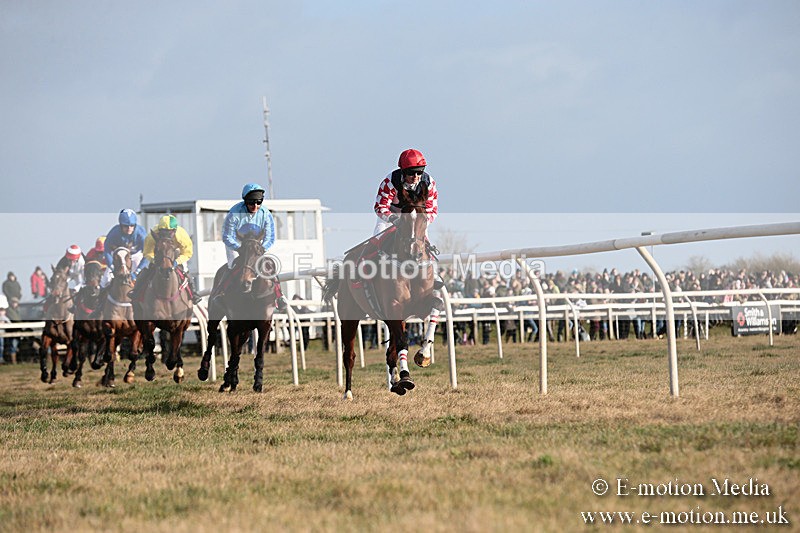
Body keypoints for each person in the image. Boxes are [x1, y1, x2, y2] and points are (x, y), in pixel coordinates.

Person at [214, 183, 287, 311]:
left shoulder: (265, 214)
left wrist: (262, 248)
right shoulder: (234, 212)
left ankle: (279, 296)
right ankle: (221, 293)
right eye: (251, 203)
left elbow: (270, 237)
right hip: (237, 244)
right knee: (233, 265)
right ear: (245, 201)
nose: (255, 206)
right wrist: (239, 248)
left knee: (269, 265)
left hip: (257, 246)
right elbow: (227, 236)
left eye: (258, 203)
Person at [129, 214, 202, 304]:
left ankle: (193, 294)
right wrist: (154, 260)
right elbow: (147, 252)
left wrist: (177, 261)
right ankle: (136, 291)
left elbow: (187, 253)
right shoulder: (152, 235)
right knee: (147, 268)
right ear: (159, 230)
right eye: (163, 232)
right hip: (159, 254)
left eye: (169, 232)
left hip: (177, 253)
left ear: (175, 230)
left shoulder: (181, 235)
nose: (166, 235)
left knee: (185, 270)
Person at [373, 148, 439, 236]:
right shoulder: (390, 182)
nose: (415, 177)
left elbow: (431, 210)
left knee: (425, 243)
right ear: (403, 171)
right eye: (411, 173)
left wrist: (422, 223)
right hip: (391, 217)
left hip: (417, 219)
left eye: (419, 172)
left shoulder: (429, 184)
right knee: (378, 236)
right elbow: (380, 207)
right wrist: (393, 218)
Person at [102, 209, 147, 286]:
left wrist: (137, 271)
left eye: (132, 225)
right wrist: (112, 267)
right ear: (121, 225)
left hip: (135, 256)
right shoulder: (113, 233)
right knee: (105, 279)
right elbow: (107, 251)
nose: (129, 228)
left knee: (145, 278)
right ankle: (101, 296)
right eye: (126, 226)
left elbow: (147, 254)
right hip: (118, 257)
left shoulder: (141, 234)